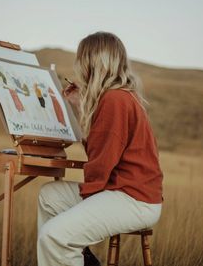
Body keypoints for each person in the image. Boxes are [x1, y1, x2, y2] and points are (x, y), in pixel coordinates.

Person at [37, 31, 164, 266]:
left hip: (133, 199)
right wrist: (78, 106)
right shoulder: (120, 96)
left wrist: (87, 201)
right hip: (124, 191)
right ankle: (80, 260)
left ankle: (69, 251)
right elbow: (103, 148)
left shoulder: (114, 100)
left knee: (53, 237)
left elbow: (101, 162)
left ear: (92, 62)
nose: (78, 66)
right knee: (49, 196)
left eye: (81, 59)